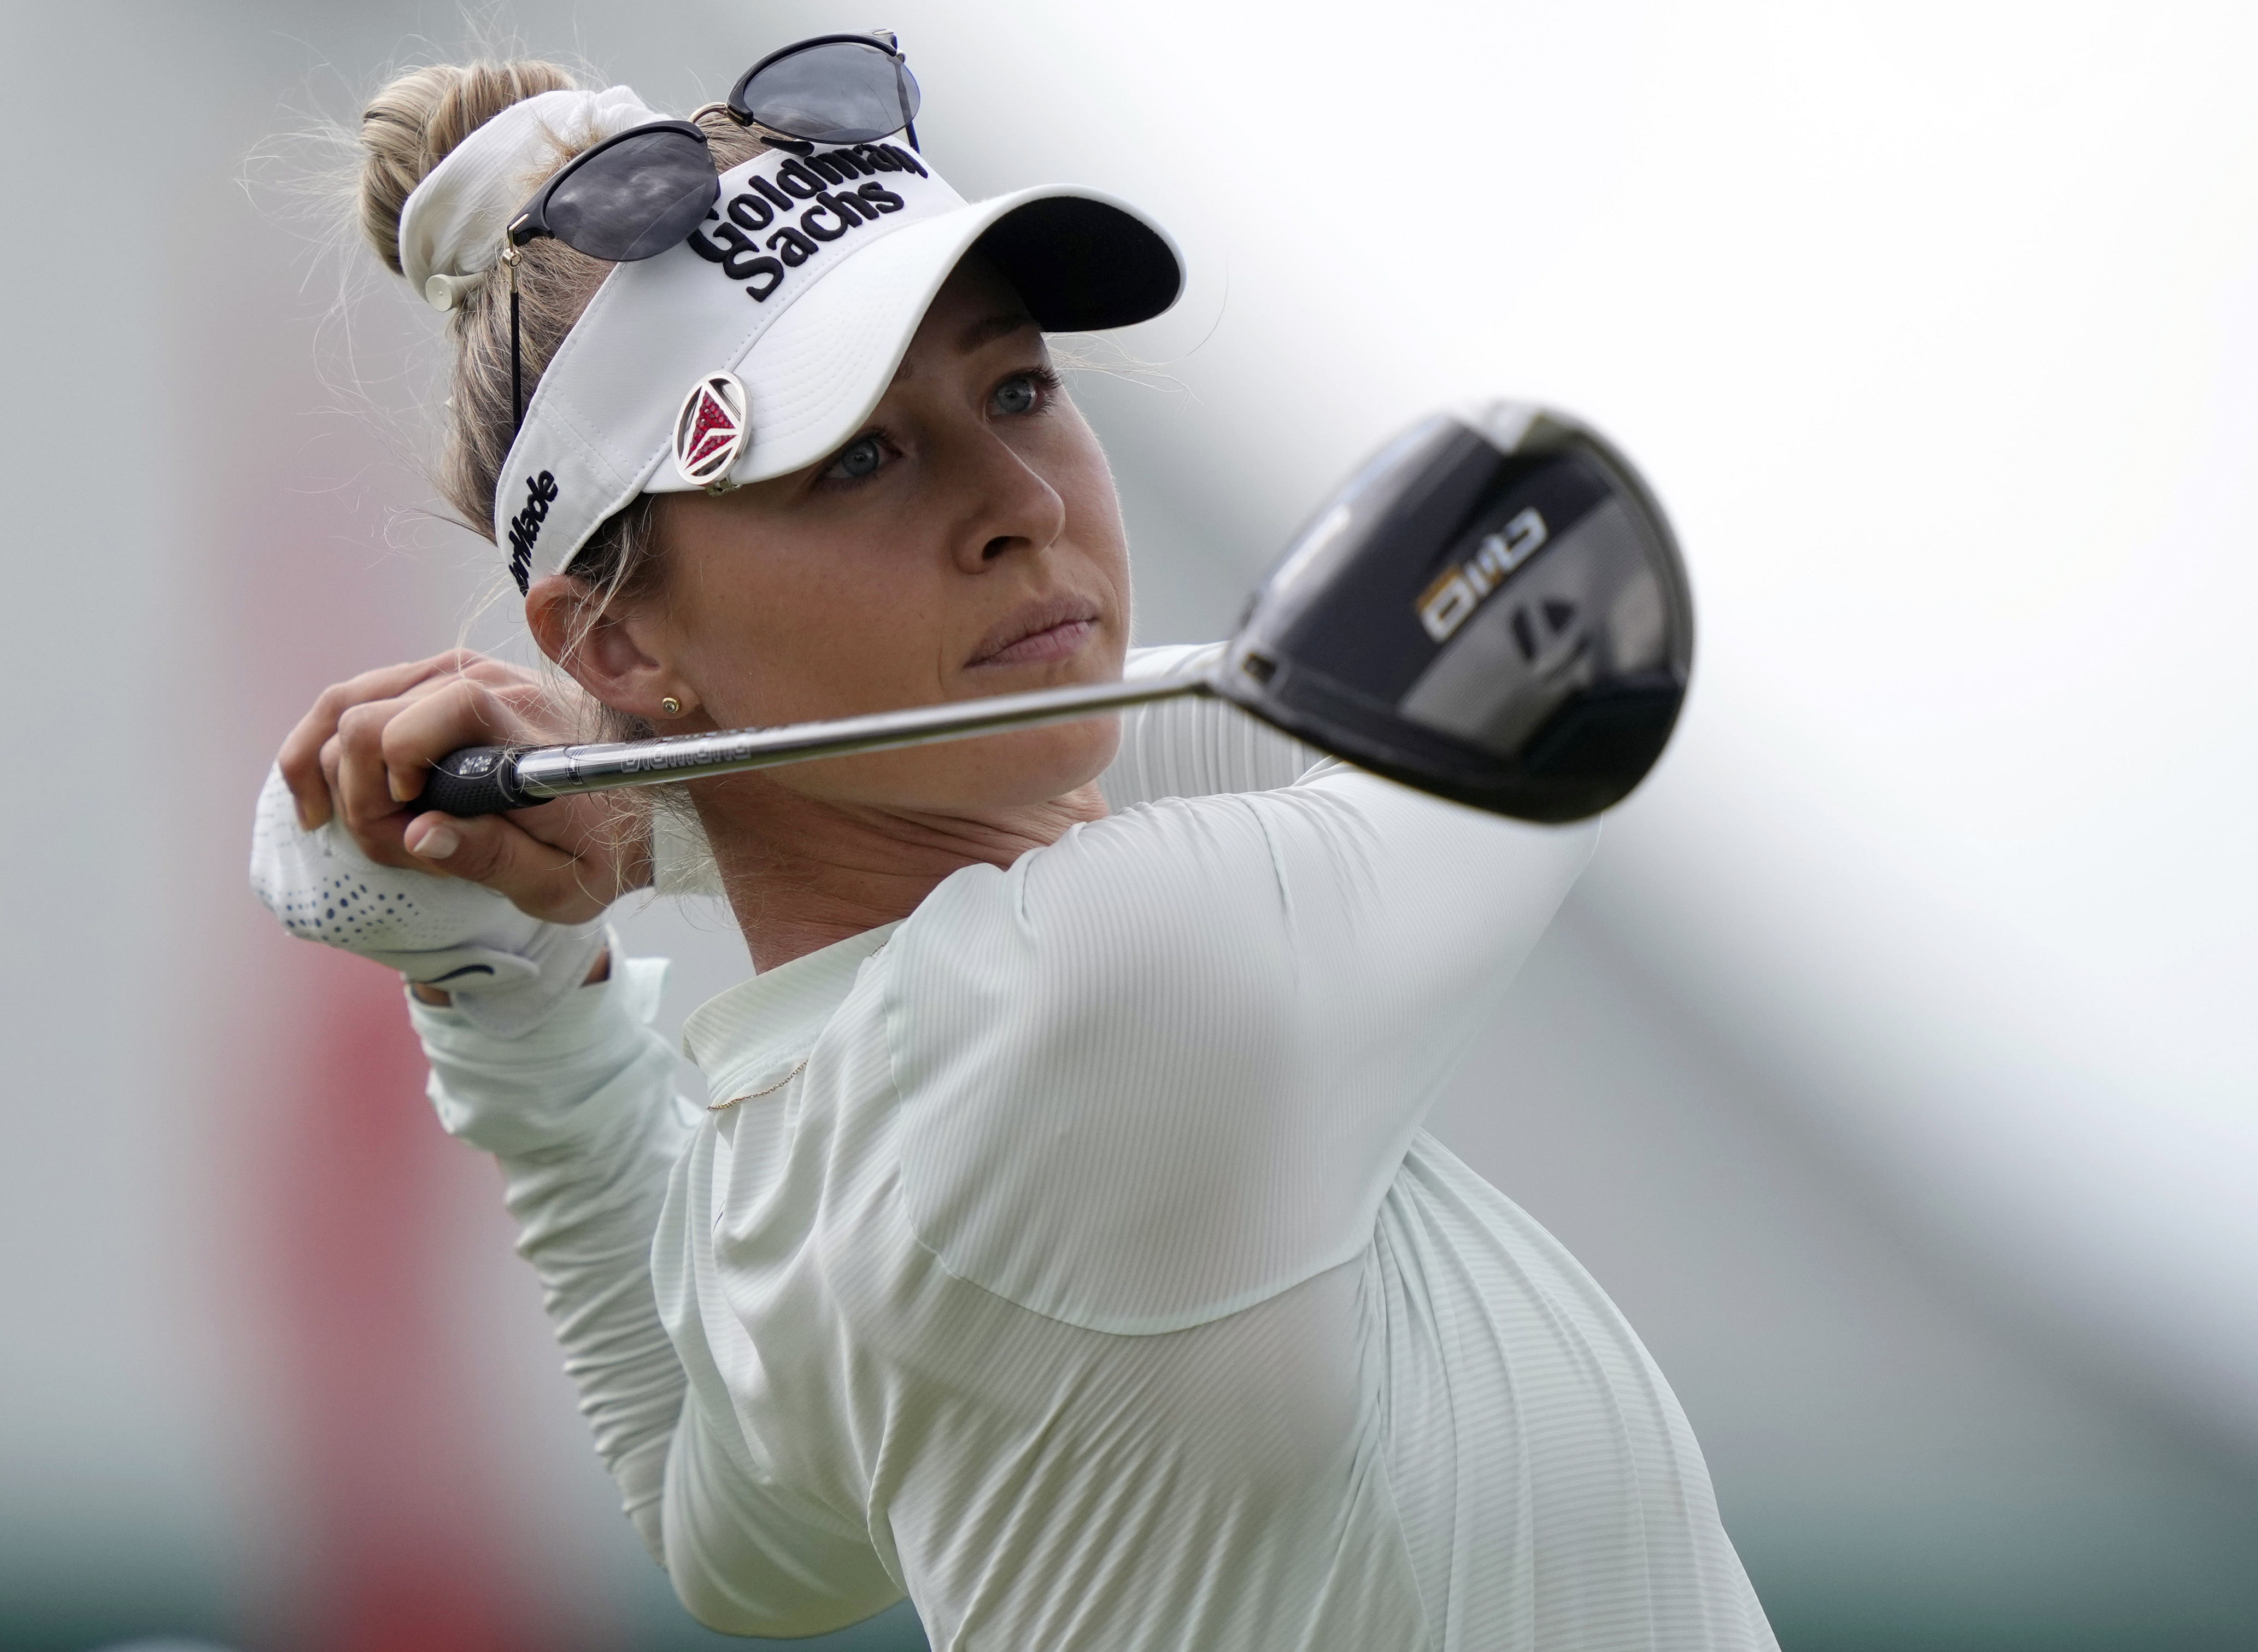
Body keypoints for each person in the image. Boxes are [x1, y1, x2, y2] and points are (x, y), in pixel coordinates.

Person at [250, 43, 1779, 1652]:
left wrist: (515, 987)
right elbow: (1538, 628)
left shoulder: (785, 1156)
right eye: (857, 454)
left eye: (1018, 388)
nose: (1018, 503)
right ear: (615, 649)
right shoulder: (1111, 992)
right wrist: (636, 833)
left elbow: (730, 1549)